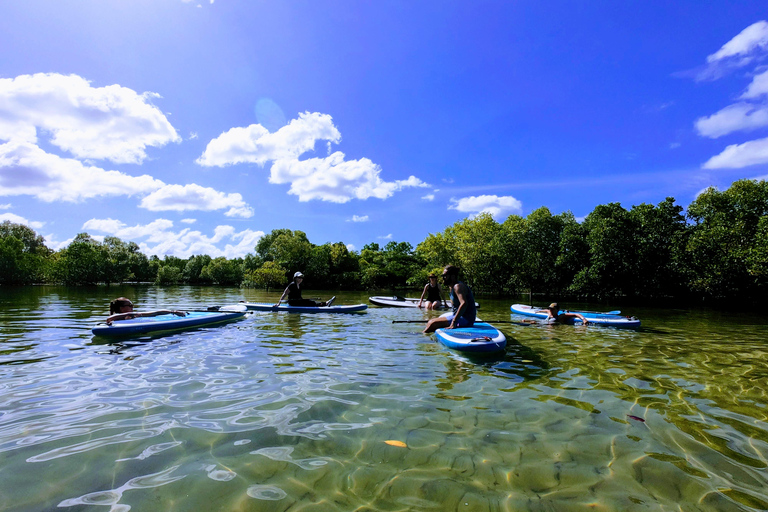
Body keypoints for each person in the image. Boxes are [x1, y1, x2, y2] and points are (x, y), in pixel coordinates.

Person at [423, 265, 476, 333]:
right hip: (458, 316)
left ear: (452, 276)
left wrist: (454, 321)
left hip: (466, 319)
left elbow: (464, 303)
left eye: (445, 276)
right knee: (431, 321)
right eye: (443, 276)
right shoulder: (451, 287)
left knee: (432, 323)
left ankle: (422, 336)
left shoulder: (458, 286)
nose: (443, 278)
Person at [106, 297, 186, 325]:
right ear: (122, 308)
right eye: (130, 305)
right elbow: (109, 318)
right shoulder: (115, 319)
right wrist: (129, 314)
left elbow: (156, 313)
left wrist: (173, 312)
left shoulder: (134, 315)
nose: (132, 307)